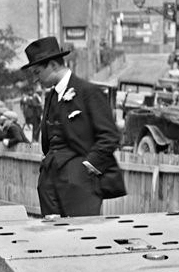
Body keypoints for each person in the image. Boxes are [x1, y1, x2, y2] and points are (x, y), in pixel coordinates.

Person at [27, 36, 122, 217]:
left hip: (80, 185)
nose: (35, 79)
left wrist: (87, 168)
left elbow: (110, 136)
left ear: (53, 65)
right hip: (48, 183)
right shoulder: (50, 97)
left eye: (37, 72)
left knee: (82, 233)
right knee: (52, 233)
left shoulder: (89, 92)